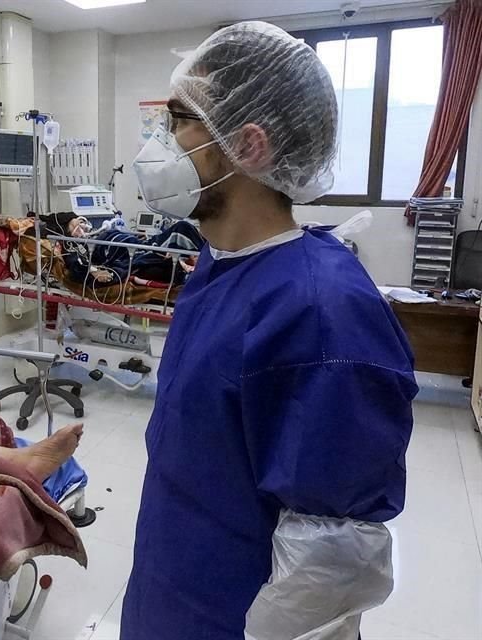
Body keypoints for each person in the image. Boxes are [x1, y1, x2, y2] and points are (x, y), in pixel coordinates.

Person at [123, 21, 417, 640]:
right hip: (171, 585)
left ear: (249, 146)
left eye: (178, 120)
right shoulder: (218, 265)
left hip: (231, 618)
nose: (160, 140)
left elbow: (332, 564)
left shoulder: (321, 314)